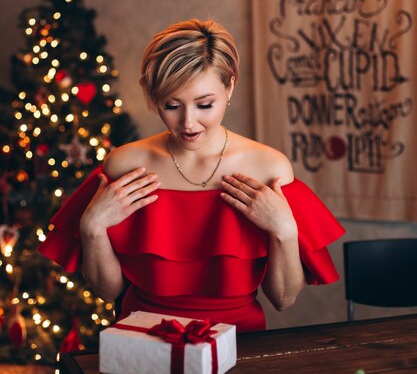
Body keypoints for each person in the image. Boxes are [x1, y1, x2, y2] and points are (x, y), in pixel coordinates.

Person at [39, 19, 344, 332]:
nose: (188, 122)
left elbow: (283, 298)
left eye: (204, 105)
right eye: (171, 105)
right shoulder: (125, 164)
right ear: (153, 95)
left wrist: (284, 229)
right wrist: (92, 227)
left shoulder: (269, 168)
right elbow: (109, 291)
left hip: (241, 340)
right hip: (142, 336)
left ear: (230, 87)